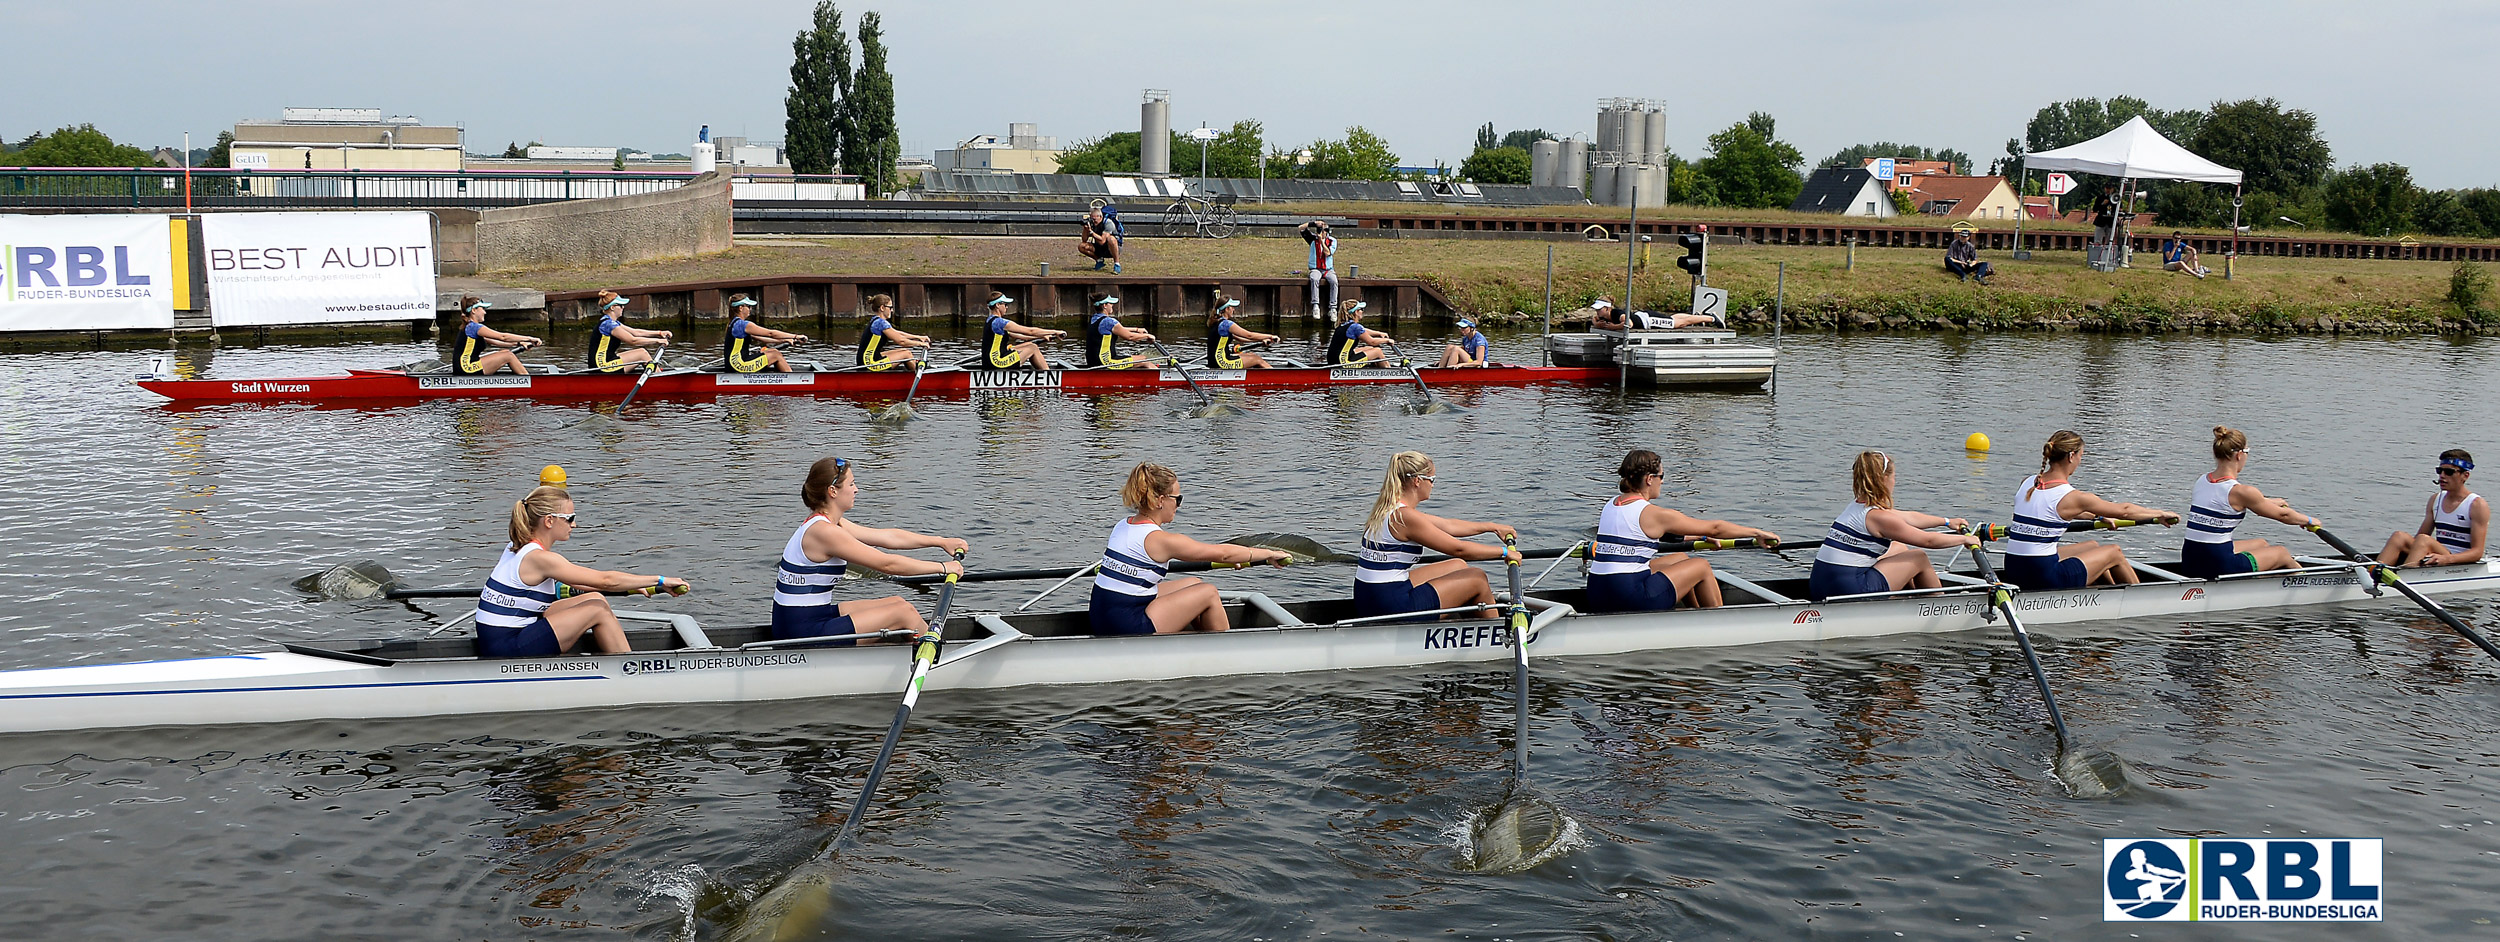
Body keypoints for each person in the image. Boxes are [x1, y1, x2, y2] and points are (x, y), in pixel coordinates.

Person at [473, 485, 687, 658]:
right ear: (549, 520)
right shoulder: (540, 559)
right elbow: (606, 580)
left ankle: (616, 659)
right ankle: (629, 671)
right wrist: (660, 580)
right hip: (506, 649)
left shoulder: (517, 547)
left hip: (502, 637)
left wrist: (637, 585)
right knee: (597, 609)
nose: (574, 525)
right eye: (570, 518)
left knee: (595, 598)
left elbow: (587, 585)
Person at [771, 456, 967, 643]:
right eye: (851, 484)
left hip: (811, 616)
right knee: (903, 613)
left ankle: (920, 649)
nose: (856, 489)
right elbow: (887, 564)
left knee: (898, 603)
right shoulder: (824, 532)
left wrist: (940, 541)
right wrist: (943, 567)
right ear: (833, 491)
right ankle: (943, 661)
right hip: (800, 631)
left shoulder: (830, 523)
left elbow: (888, 537)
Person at [1088, 463, 1289, 635]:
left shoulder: (1124, 525)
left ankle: (1200, 639)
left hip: (1101, 614)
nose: (1179, 505)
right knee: (1208, 592)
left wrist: (1237, 557)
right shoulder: (1160, 540)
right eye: (1177, 499)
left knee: (1194, 583)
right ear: (1160, 500)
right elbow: (1223, 553)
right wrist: (1269, 554)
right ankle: (1227, 653)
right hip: (1125, 625)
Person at [1586, 449, 1781, 612]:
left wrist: (1699, 537)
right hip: (1630, 597)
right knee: (1701, 566)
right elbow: (1716, 528)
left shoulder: (1611, 505)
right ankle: (1719, 623)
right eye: (1661, 476)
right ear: (1649, 479)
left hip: (1597, 592)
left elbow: (1654, 533)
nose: (1662, 481)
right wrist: (1757, 533)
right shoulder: (1655, 514)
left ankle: (1692, 615)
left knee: (1680, 559)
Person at [1352, 451, 1521, 620]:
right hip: (1389, 606)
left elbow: (1449, 525)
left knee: (1458, 566)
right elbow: (1459, 548)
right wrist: (1505, 552)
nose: (1433, 485)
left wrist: (1492, 527)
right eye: (1431, 479)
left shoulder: (1390, 509)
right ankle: (1496, 635)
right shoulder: (1406, 517)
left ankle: (1459, 621)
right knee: (1477, 578)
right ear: (1417, 481)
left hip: (1368, 597)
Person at [2001, 430, 2180, 589]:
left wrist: (2098, 516)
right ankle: (2139, 601)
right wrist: (2161, 513)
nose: (2080, 461)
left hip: (2014, 567)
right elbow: (2124, 510)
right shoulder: (2074, 497)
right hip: (2043, 577)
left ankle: (2107, 592)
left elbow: (2052, 512)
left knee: (2092, 546)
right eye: (2081, 456)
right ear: (2071, 456)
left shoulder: (2027, 483)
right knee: (2114, 552)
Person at [1805, 452, 1980, 601]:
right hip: (1848, 591)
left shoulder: (1858, 506)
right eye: (1894, 476)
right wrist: (1964, 538)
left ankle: (1909, 597)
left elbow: (1910, 517)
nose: (1895, 481)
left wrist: (1947, 522)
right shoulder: (1879, 517)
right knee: (1919, 557)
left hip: (1821, 586)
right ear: (1884, 479)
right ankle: (1939, 609)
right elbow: (1927, 540)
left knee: (1899, 547)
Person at [2178, 426, 2312, 578]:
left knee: (2261, 544)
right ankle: (2307, 583)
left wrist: (2268, 502)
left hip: (2191, 560)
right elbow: (2284, 516)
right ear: (2240, 455)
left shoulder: (2202, 480)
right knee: (2282, 553)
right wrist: (2309, 520)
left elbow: (2227, 502)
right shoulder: (2242, 492)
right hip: (2217, 566)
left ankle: (2259, 583)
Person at [2378, 449, 2487, 568]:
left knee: (2424, 540)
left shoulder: (2476, 505)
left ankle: (2406, 576)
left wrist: (2446, 559)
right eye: (2440, 471)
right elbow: (2418, 540)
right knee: (2399, 536)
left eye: (2449, 472)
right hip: (2437, 554)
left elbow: (2477, 552)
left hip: (2458, 560)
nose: (2442, 476)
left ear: (2465, 476)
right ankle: (2372, 574)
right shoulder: (2435, 500)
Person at [451, 296, 540, 376]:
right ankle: (530, 382)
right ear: (474, 310)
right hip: (466, 368)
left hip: (463, 367)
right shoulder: (474, 327)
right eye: (483, 309)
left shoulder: (470, 327)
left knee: (505, 352)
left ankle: (525, 379)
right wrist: (530, 338)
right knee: (508, 355)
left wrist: (519, 343)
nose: (485, 312)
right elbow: (503, 337)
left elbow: (496, 342)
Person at [587, 290, 672, 373]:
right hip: (601, 366)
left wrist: (659, 333)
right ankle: (660, 380)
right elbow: (633, 340)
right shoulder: (608, 325)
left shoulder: (611, 322)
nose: (623, 307)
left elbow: (635, 332)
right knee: (642, 353)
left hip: (607, 360)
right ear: (612, 307)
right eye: (620, 305)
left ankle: (657, 374)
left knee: (641, 353)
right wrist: (657, 341)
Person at [723, 294, 809, 373]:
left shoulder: (734, 323)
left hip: (733, 364)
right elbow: (770, 333)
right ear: (741, 308)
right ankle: (793, 381)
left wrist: (784, 340)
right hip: (738, 365)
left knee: (773, 351)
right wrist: (796, 336)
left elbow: (762, 338)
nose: (750, 309)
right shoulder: (743, 325)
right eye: (748, 306)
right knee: (776, 355)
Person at [979, 292, 1065, 370]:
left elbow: (1024, 337)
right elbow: (1030, 331)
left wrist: (1042, 336)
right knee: (1033, 348)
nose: (1007, 307)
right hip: (996, 362)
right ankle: (1048, 376)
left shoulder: (990, 320)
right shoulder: (1000, 323)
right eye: (1005, 304)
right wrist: (1055, 332)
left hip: (989, 361)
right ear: (998, 305)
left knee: (1030, 344)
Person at [855, 292, 930, 371]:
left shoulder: (876, 320)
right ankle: (920, 376)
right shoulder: (881, 323)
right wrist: (920, 344)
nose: (892, 310)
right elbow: (901, 341)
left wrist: (919, 337)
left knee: (904, 351)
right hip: (869, 364)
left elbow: (897, 333)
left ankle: (914, 368)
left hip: (866, 359)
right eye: (890, 307)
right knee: (906, 354)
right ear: (882, 308)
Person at [1081, 294, 1160, 369]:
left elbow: (1119, 329)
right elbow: (1130, 336)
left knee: (1142, 357)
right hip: (1106, 362)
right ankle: (1160, 378)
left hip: (1093, 361)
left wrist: (1137, 330)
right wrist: (1147, 336)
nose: (1112, 305)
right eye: (1110, 303)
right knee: (1145, 361)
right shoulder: (1108, 321)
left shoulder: (1094, 319)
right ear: (1105, 306)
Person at [1206, 295, 1280, 369]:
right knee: (1257, 359)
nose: (1233, 310)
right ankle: (1277, 378)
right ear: (1227, 309)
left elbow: (1241, 339)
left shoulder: (1216, 322)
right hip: (1222, 362)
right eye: (1232, 307)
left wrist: (1262, 340)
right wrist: (1270, 336)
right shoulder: (1226, 324)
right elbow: (1249, 335)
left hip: (1214, 360)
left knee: (1251, 355)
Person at [1325, 300, 1391, 366]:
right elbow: (1372, 342)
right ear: (1356, 312)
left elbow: (1363, 331)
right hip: (1343, 363)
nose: (1362, 311)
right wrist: (1387, 340)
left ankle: (1375, 370)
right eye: (1361, 309)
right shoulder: (1355, 327)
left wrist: (1379, 333)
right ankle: (1390, 373)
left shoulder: (1343, 324)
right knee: (1378, 351)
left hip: (1333, 360)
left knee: (1369, 348)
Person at [1590, 297, 1718, 330]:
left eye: (1599, 309)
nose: (1597, 311)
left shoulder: (1617, 313)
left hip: (1649, 321)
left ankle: (1711, 318)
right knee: (1671, 318)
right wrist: (1596, 324)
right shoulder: (1603, 316)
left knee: (1680, 324)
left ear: (1607, 308)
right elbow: (1594, 319)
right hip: (1645, 316)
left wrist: (1614, 327)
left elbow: (1628, 323)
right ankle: (1699, 315)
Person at [1301, 220, 1339, 319]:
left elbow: (1327, 253)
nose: (1322, 232)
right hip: (1316, 268)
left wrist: (1322, 241)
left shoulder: (1332, 241)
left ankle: (1333, 308)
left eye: (1324, 230)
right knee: (1314, 279)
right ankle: (1315, 306)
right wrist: (1313, 224)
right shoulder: (1313, 239)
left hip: (1328, 269)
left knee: (1334, 281)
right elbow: (1301, 228)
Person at [1078, 206, 1122, 274]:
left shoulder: (1108, 223)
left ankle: (1117, 264)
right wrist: (1085, 229)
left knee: (1111, 239)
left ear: (1100, 217)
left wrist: (1092, 233)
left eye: (1095, 219)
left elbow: (1102, 241)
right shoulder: (1092, 223)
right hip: (1099, 247)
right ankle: (1099, 260)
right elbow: (1084, 240)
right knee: (1082, 246)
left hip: (1111, 248)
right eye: (1092, 219)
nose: (1094, 221)